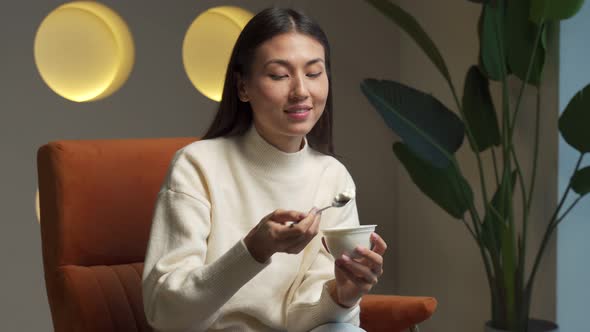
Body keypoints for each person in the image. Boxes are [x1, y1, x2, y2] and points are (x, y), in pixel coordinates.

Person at [142, 7, 387, 332]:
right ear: (243, 87)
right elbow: (167, 313)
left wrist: (342, 295)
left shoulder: (333, 177)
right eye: (279, 75)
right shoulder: (197, 166)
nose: (301, 90)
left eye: (314, 73)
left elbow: (308, 322)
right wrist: (254, 251)